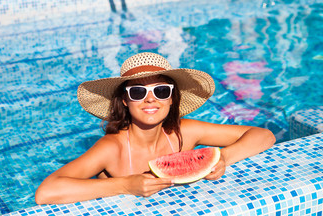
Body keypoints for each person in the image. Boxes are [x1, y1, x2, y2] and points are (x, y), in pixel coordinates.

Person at [35, 52, 275, 204]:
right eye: (138, 92)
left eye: (161, 91)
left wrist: (221, 159)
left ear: (171, 99)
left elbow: (263, 135)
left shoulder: (184, 132)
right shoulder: (112, 148)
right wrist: (124, 185)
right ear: (125, 101)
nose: (151, 100)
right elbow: (47, 192)